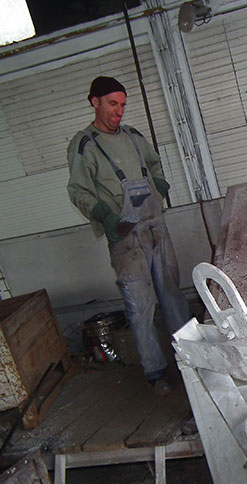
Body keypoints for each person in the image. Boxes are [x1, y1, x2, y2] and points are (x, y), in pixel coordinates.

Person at [67, 76, 190, 395]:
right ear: (95, 102)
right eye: (112, 104)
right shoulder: (85, 145)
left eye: (122, 104)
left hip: (156, 229)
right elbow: (78, 190)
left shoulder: (134, 136)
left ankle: (193, 362)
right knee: (140, 306)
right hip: (126, 240)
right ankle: (155, 372)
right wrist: (104, 215)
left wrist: (159, 183)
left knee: (173, 297)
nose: (119, 111)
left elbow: (154, 163)